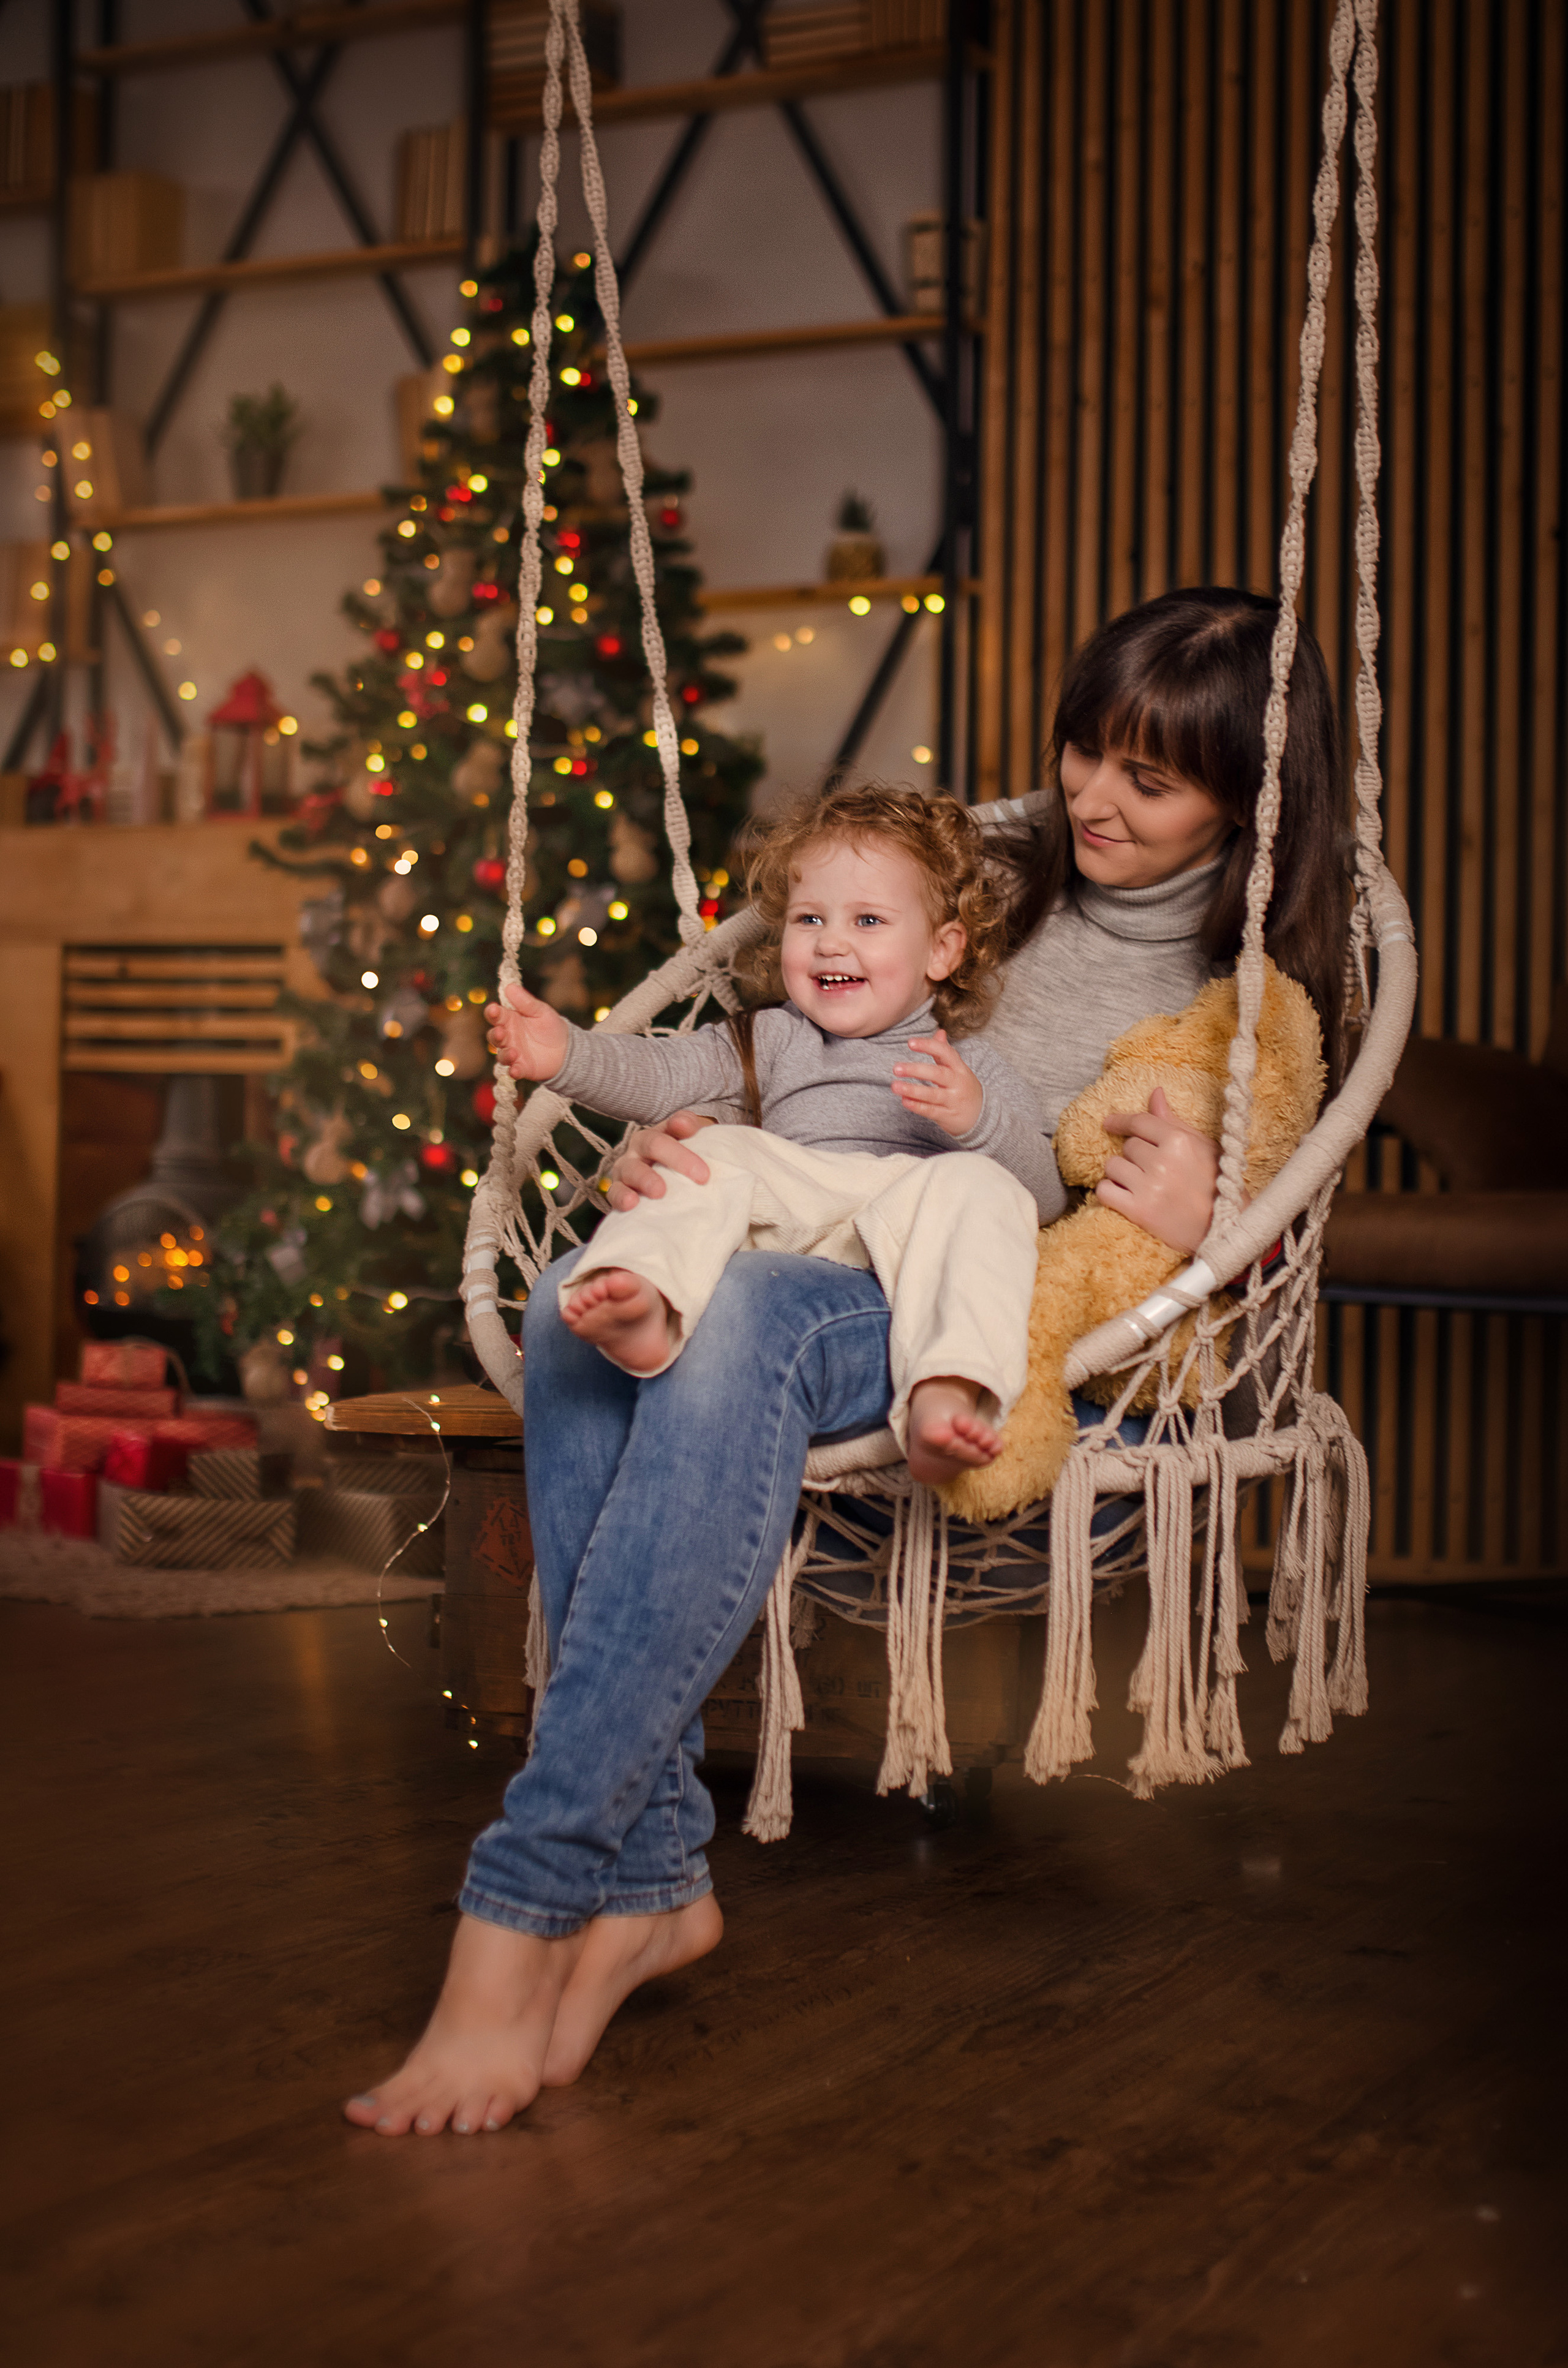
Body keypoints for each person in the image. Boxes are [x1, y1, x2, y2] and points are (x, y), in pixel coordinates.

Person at [345, 587, 1352, 2140]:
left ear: (1247, 802)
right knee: (572, 1301)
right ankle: (656, 1878)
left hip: (972, 1313)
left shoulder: (1235, 1010)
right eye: (1083, 753)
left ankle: (525, 1907)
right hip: (795, 1237)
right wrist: (664, 1159)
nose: (1090, 799)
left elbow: (1236, 1227)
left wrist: (1195, 1220)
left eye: (1146, 783)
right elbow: (773, 1025)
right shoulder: (980, 890)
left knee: (737, 1314)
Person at [485, 783, 1058, 1487]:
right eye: (809, 916)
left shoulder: (966, 1064)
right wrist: (566, 1054)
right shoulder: (772, 1036)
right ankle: (646, 1298)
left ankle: (948, 1388)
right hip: (792, 1210)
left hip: (903, 1238)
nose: (831, 941)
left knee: (982, 1188)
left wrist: (976, 1120)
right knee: (704, 1146)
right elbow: (660, 1074)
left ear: (941, 951)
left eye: (869, 919)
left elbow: (1043, 1197)